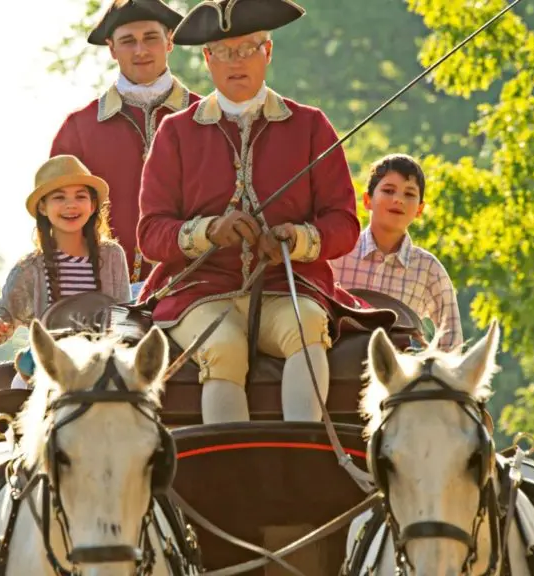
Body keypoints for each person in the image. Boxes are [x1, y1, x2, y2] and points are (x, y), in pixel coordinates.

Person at [136, 0, 395, 424]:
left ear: (268, 52)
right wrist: (208, 231)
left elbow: (344, 225)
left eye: (247, 49)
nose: (236, 61)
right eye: (223, 52)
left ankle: (301, 455)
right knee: (223, 347)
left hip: (286, 286)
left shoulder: (311, 126)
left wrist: (295, 239)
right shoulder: (175, 132)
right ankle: (229, 474)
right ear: (207, 59)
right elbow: (150, 234)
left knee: (309, 327)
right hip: (198, 291)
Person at [51, 0, 202, 293]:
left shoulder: (209, 119)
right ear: (111, 48)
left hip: (195, 287)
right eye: (128, 41)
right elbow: (57, 220)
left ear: (169, 40)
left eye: (150, 38)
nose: (140, 51)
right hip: (100, 293)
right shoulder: (79, 129)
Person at [0, 155, 132, 387]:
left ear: (92, 206)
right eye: (59, 198)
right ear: (43, 207)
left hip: (103, 359)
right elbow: (4, 316)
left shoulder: (112, 256)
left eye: (80, 197)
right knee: (17, 392)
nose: (71, 205)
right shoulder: (29, 268)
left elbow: (124, 313)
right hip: (47, 363)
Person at [331, 153, 464, 350]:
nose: (399, 200)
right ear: (367, 200)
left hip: (398, 375)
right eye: (388, 190)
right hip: (336, 370)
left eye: (409, 194)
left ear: (419, 209)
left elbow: (451, 342)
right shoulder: (338, 252)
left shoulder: (428, 269)